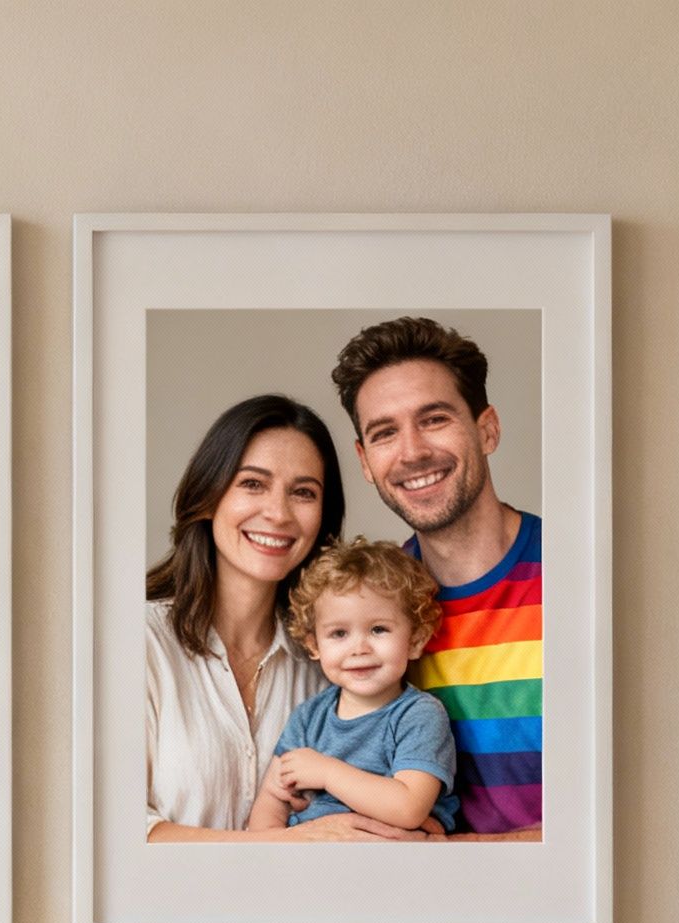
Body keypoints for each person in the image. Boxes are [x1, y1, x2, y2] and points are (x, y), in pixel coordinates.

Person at [144, 395, 432, 842]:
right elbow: (113, 834)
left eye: (303, 492)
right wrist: (288, 844)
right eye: (253, 484)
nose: (278, 514)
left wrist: (413, 838)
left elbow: (389, 801)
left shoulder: (337, 663)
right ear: (207, 497)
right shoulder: (136, 642)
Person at [332, 317, 542, 839]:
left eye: (434, 419)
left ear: (487, 429)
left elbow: (633, 804)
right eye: (384, 433)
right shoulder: (365, 613)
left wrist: (471, 853)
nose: (412, 452)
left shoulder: (579, 577)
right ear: (364, 460)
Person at [247, 538, 458, 833]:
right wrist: (273, 851)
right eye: (339, 633)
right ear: (313, 644)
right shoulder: (308, 718)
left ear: (415, 640)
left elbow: (409, 809)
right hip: (307, 860)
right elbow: (272, 799)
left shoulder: (419, 715)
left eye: (378, 629)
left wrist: (327, 773)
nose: (359, 648)